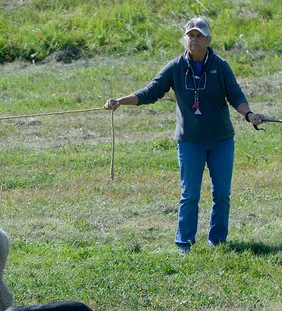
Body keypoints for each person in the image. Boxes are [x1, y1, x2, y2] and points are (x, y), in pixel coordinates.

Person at [104, 17, 267, 254]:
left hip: (221, 140)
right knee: (190, 194)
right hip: (190, 141)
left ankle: (218, 242)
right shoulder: (175, 67)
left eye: (199, 35)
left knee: (221, 194)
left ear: (209, 40)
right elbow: (150, 92)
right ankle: (184, 244)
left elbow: (235, 94)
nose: (194, 39)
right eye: (190, 35)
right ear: (185, 39)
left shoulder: (220, 65)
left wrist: (249, 114)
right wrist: (120, 101)